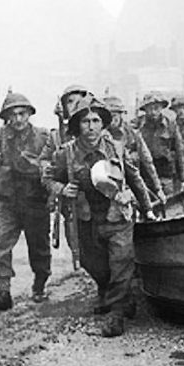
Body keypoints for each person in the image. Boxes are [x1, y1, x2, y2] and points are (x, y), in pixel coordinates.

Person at [41, 97, 156, 337]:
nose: (91, 127)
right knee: (92, 264)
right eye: (86, 122)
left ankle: (116, 315)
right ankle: (115, 294)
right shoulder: (66, 154)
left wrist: (147, 208)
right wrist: (62, 189)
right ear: (77, 126)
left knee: (121, 262)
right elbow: (48, 178)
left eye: (96, 121)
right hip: (85, 218)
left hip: (117, 215)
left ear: (103, 123)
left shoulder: (116, 147)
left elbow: (134, 177)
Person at [0, 91, 52, 310]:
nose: (19, 119)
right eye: (14, 115)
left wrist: (44, 168)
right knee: (0, 247)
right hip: (6, 201)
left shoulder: (43, 136)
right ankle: (4, 293)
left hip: (35, 201)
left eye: (23, 113)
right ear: (7, 117)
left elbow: (56, 162)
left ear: (29, 114)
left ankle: (40, 284)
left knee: (39, 247)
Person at [103, 94, 166, 204]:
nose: (112, 120)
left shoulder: (132, 133)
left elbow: (147, 161)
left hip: (134, 183)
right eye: (108, 117)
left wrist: (158, 188)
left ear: (121, 115)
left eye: (115, 115)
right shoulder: (100, 135)